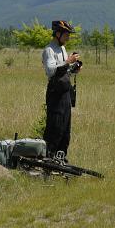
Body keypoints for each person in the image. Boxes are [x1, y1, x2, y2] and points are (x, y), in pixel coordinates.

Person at [42, 20, 81, 159]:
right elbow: (51, 71)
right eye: (66, 34)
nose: (68, 37)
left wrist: (73, 69)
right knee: (55, 129)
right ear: (58, 33)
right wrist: (67, 62)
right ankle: (47, 161)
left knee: (65, 131)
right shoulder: (49, 50)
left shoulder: (63, 49)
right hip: (55, 95)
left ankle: (61, 160)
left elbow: (64, 72)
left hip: (65, 94)